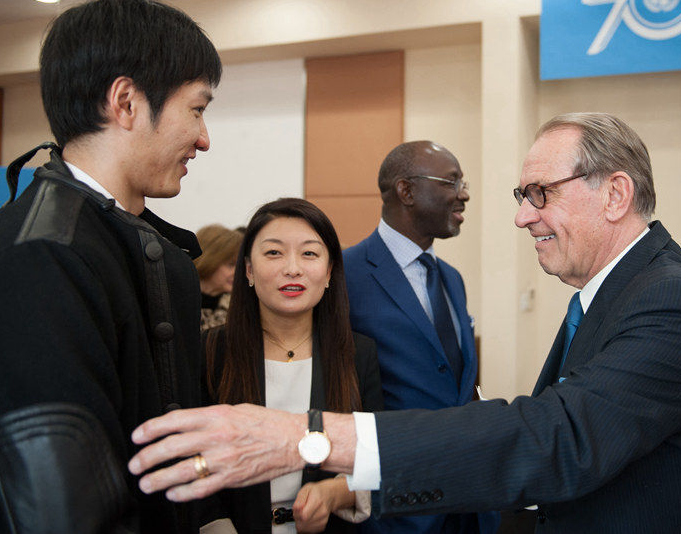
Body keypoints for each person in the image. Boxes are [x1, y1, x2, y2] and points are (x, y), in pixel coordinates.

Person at [129, 112, 681, 533]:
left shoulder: (673, 301)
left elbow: (555, 438)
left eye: (540, 194)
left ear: (614, 195)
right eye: (522, 197)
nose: (522, 218)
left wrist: (306, 439)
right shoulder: (622, 293)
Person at [0, 0, 221, 534]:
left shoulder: (157, 252)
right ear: (127, 102)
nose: (204, 139)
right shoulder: (39, 259)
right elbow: (55, 508)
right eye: (198, 109)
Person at [201, 198, 384, 533]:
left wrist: (333, 493)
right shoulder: (210, 351)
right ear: (248, 270)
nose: (293, 268)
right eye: (274, 253)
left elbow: (376, 461)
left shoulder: (358, 354)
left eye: (309, 253)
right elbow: (190, 460)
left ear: (329, 272)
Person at [342, 141, 497, 534]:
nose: (464, 193)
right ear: (406, 191)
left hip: (466, 499)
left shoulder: (451, 279)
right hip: (396, 504)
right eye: (451, 181)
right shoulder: (345, 274)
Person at [194, 224, 243, 331]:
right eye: (231, 264)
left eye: (239, 265)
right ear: (209, 259)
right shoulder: (172, 302)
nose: (238, 272)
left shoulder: (239, 309)